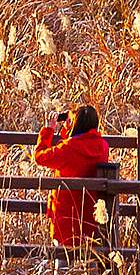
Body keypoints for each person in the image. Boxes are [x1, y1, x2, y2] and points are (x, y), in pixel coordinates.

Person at [33, 104, 112, 252]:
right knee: (92, 259)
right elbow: (80, 144)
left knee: (63, 261)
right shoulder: (103, 146)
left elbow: (39, 157)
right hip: (91, 213)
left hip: (65, 214)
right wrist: (68, 131)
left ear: (75, 123)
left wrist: (49, 130)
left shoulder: (68, 148)